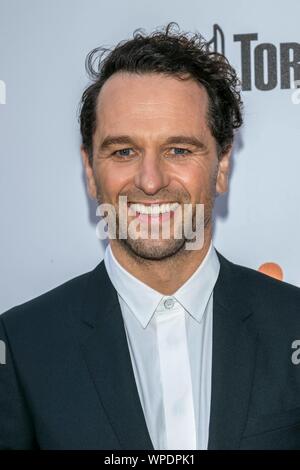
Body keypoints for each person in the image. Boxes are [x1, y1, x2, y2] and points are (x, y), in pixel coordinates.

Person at [1, 23, 300, 450]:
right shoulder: (22, 345)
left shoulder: (292, 325)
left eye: (178, 150)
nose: (151, 180)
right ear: (90, 170)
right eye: (124, 151)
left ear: (221, 166)